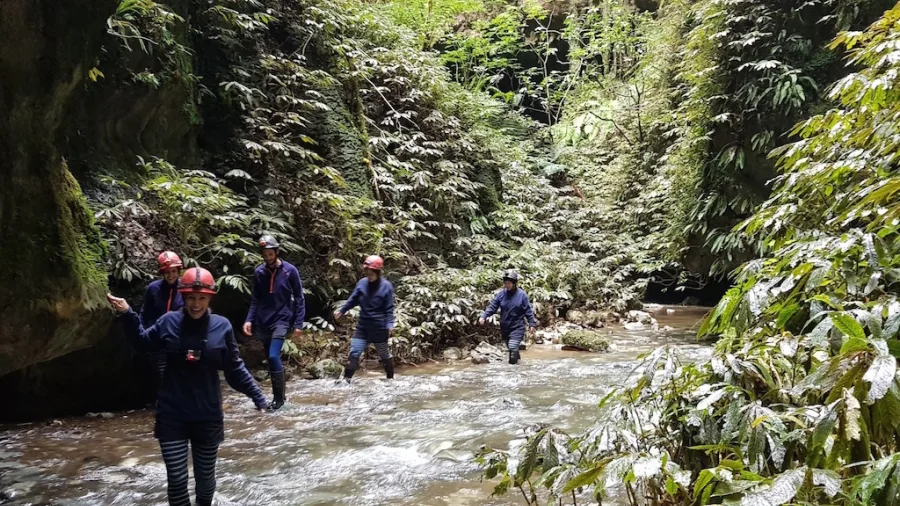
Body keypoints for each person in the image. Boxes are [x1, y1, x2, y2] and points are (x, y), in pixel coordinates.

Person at [107, 267, 267, 506]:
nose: (196, 304)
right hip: (172, 414)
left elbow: (233, 368)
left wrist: (259, 398)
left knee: (205, 480)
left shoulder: (221, 326)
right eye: (191, 298)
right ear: (183, 296)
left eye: (202, 298)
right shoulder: (168, 322)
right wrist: (129, 313)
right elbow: (142, 343)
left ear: (210, 298)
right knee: (177, 479)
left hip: (208, 414)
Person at [242, 234, 306, 410]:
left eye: (271, 253)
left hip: (282, 320)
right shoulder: (259, 273)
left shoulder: (290, 271)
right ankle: (280, 395)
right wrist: (249, 320)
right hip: (263, 321)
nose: (268, 257)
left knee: (273, 355)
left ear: (276, 252)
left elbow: (299, 298)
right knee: (271, 360)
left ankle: (278, 400)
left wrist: (299, 324)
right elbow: (255, 299)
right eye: (265, 254)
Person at [333, 255, 395, 382]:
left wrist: (390, 324)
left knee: (384, 355)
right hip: (363, 327)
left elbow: (389, 308)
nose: (369, 274)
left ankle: (391, 379)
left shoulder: (386, 286)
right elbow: (353, 300)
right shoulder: (362, 283)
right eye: (368, 271)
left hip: (379, 328)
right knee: (354, 352)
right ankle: (346, 381)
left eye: (372, 272)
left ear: (378, 272)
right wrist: (342, 310)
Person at [142, 251, 185, 393]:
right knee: (161, 374)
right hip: (158, 339)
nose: (171, 275)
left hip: (179, 340)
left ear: (178, 270)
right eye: (167, 272)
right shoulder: (153, 289)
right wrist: (142, 335)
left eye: (173, 271)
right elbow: (145, 313)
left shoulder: (185, 288)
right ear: (162, 273)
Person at [478, 269, 538, 364]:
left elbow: (528, 311)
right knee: (511, 349)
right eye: (506, 283)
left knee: (513, 347)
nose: (507, 285)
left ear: (514, 283)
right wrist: (484, 316)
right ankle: (519, 366)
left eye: (509, 283)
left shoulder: (522, 295)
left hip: (517, 327)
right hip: (505, 327)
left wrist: (532, 324)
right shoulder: (501, 295)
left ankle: (512, 374)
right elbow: (493, 306)